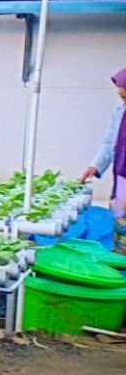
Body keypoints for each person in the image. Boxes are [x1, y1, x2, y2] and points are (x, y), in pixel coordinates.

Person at [80, 67, 126, 253]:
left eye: (124, 96)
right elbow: (110, 140)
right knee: (121, 217)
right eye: (121, 96)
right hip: (123, 172)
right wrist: (95, 165)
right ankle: (121, 255)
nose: (122, 100)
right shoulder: (119, 110)